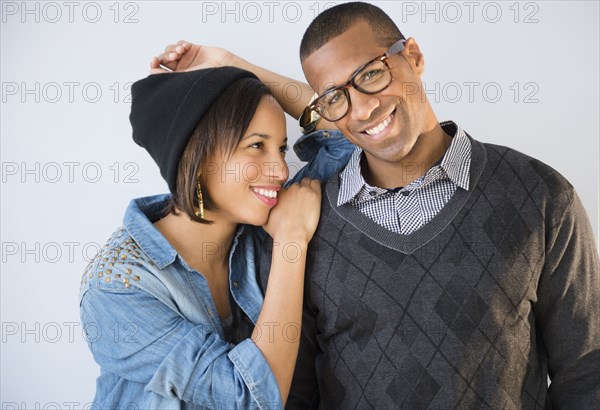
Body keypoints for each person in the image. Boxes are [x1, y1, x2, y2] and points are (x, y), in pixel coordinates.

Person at [154, 2, 600, 408]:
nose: (363, 109)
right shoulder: (302, 225)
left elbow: (585, 373)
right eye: (335, 97)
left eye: (371, 74)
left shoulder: (540, 194)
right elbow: (295, 395)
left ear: (415, 57)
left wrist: (235, 64)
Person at [79, 67, 324, 409]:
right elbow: (248, 400)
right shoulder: (116, 286)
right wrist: (291, 244)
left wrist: (237, 70)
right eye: (257, 146)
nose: (282, 171)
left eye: (281, 149)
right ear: (197, 154)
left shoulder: (261, 226)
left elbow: (353, 135)